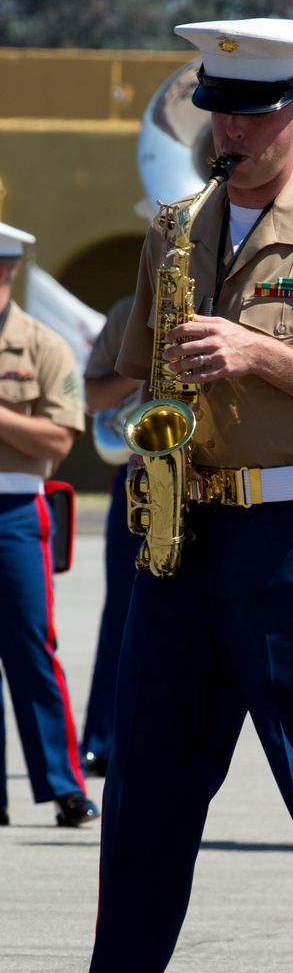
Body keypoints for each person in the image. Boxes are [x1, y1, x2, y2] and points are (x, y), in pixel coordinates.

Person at [20, 17, 293, 973]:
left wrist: (256, 353)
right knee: (146, 785)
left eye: (253, 113)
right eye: (217, 110)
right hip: (179, 528)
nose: (228, 132)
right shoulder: (174, 227)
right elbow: (121, 378)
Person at [0, 221, 97, 829]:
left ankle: (63, 786)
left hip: (13, 509)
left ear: (6, 271)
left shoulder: (42, 345)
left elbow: (59, 439)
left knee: (31, 646)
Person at [79, 295, 139, 776]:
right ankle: (104, 738)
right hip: (142, 476)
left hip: (224, 477)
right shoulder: (129, 311)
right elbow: (93, 397)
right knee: (123, 608)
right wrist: (147, 367)